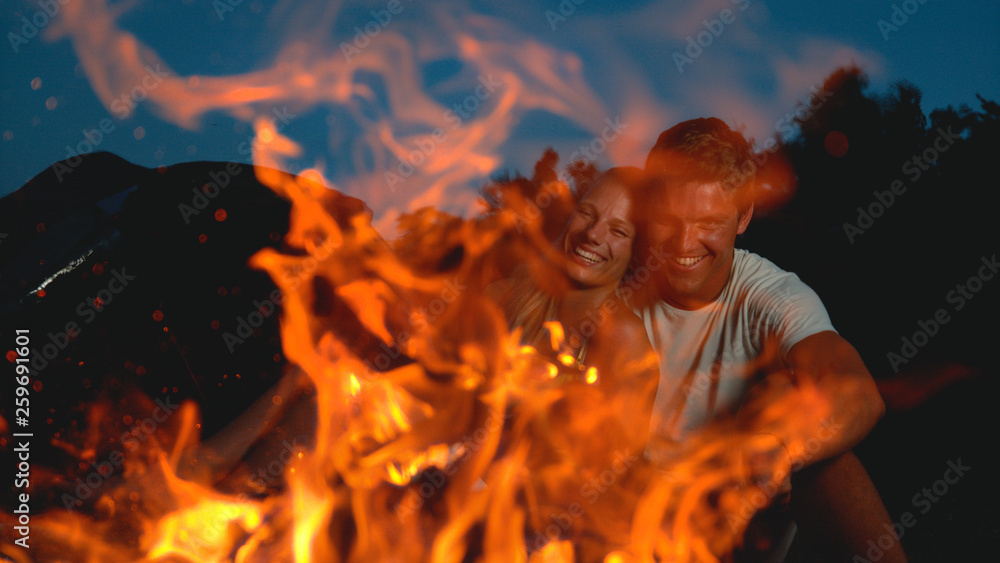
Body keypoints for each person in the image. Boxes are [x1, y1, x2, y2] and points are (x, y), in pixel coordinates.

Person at [633, 117, 904, 561]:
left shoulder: (772, 295)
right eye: (668, 219)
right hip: (626, 524)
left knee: (817, 438)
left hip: (732, 530)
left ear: (744, 218)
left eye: (709, 222)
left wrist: (781, 450)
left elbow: (858, 392)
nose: (684, 241)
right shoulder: (617, 280)